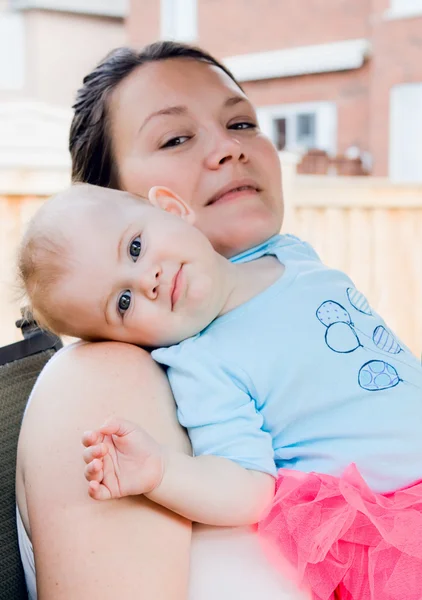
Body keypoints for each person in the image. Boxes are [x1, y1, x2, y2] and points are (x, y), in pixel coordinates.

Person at [19, 181, 422, 599]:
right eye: (122, 302)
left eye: (135, 247)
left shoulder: (287, 253)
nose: (147, 280)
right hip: (397, 521)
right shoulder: (201, 365)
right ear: (130, 342)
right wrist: (161, 472)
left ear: (172, 207)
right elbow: (248, 486)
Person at [15, 41, 309, 600]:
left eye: (242, 123)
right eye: (175, 137)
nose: (228, 148)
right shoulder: (107, 381)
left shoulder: (295, 297)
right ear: (117, 194)